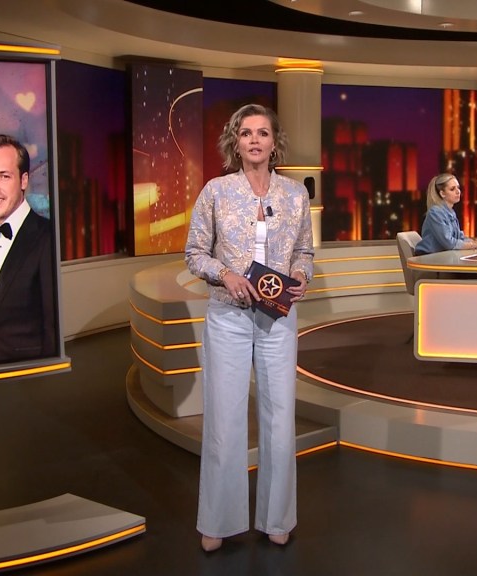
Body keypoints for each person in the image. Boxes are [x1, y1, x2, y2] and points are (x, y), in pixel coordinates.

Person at [185, 104, 313, 552]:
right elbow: (195, 253)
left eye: (262, 133)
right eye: (246, 133)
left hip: (278, 317)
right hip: (228, 316)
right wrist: (225, 275)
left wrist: (300, 274)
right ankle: (219, 521)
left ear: (274, 142)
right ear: (235, 142)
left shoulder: (295, 194)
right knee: (224, 417)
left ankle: (277, 517)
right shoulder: (216, 191)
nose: (254, 140)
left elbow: (304, 251)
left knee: (280, 417)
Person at [0, 134, 58, 363]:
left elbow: (53, 325)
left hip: (28, 375)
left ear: (23, 180)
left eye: (4, 176)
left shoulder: (47, 237)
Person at [413, 173, 477, 255]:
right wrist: (476, 244)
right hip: (427, 256)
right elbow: (449, 243)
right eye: (452, 189)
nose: (458, 191)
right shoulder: (435, 212)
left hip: (442, 255)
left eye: (458, 187)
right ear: (442, 193)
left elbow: (459, 238)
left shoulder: (450, 212)